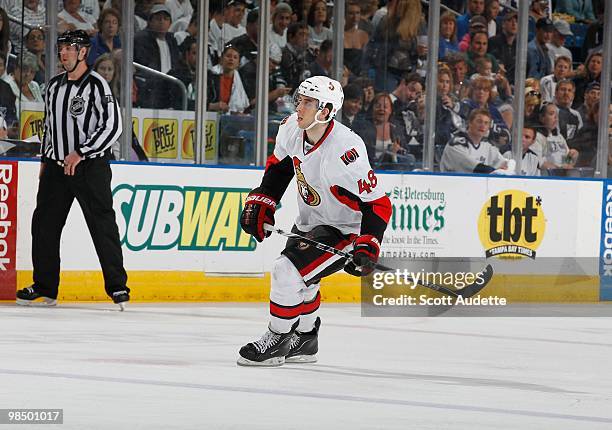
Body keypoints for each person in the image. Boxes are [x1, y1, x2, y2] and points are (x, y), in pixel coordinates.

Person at [237, 76, 391, 366]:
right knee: (304, 282)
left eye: (308, 102)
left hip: (345, 229)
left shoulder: (346, 151)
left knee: (286, 272)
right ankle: (306, 339)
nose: (299, 107)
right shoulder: (291, 128)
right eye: (300, 99)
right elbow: (280, 167)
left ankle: (278, 338)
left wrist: (369, 243)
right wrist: (264, 198)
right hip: (311, 219)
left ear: (326, 110)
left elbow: (378, 203)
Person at [15, 30, 129, 309]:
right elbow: (50, 128)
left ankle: (117, 287)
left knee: (102, 224)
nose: (63, 52)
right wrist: (45, 160)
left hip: (90, 167)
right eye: (61, 47)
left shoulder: (98, 85)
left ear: (83, 52)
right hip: (55, 168)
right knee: (44, 225)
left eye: (69, 47)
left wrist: (81, 152)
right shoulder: (53, 86)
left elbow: (114, 126)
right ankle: (45, 286)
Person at [440, 108, 514, 174]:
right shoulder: (456, 144)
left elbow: (505, 164)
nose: (482, 125)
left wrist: (508, 167)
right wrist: (496, 171)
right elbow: (475, 168)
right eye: (479, 121)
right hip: (453, 186)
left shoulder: (487, 146)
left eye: (486, 123)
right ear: (470, 123)